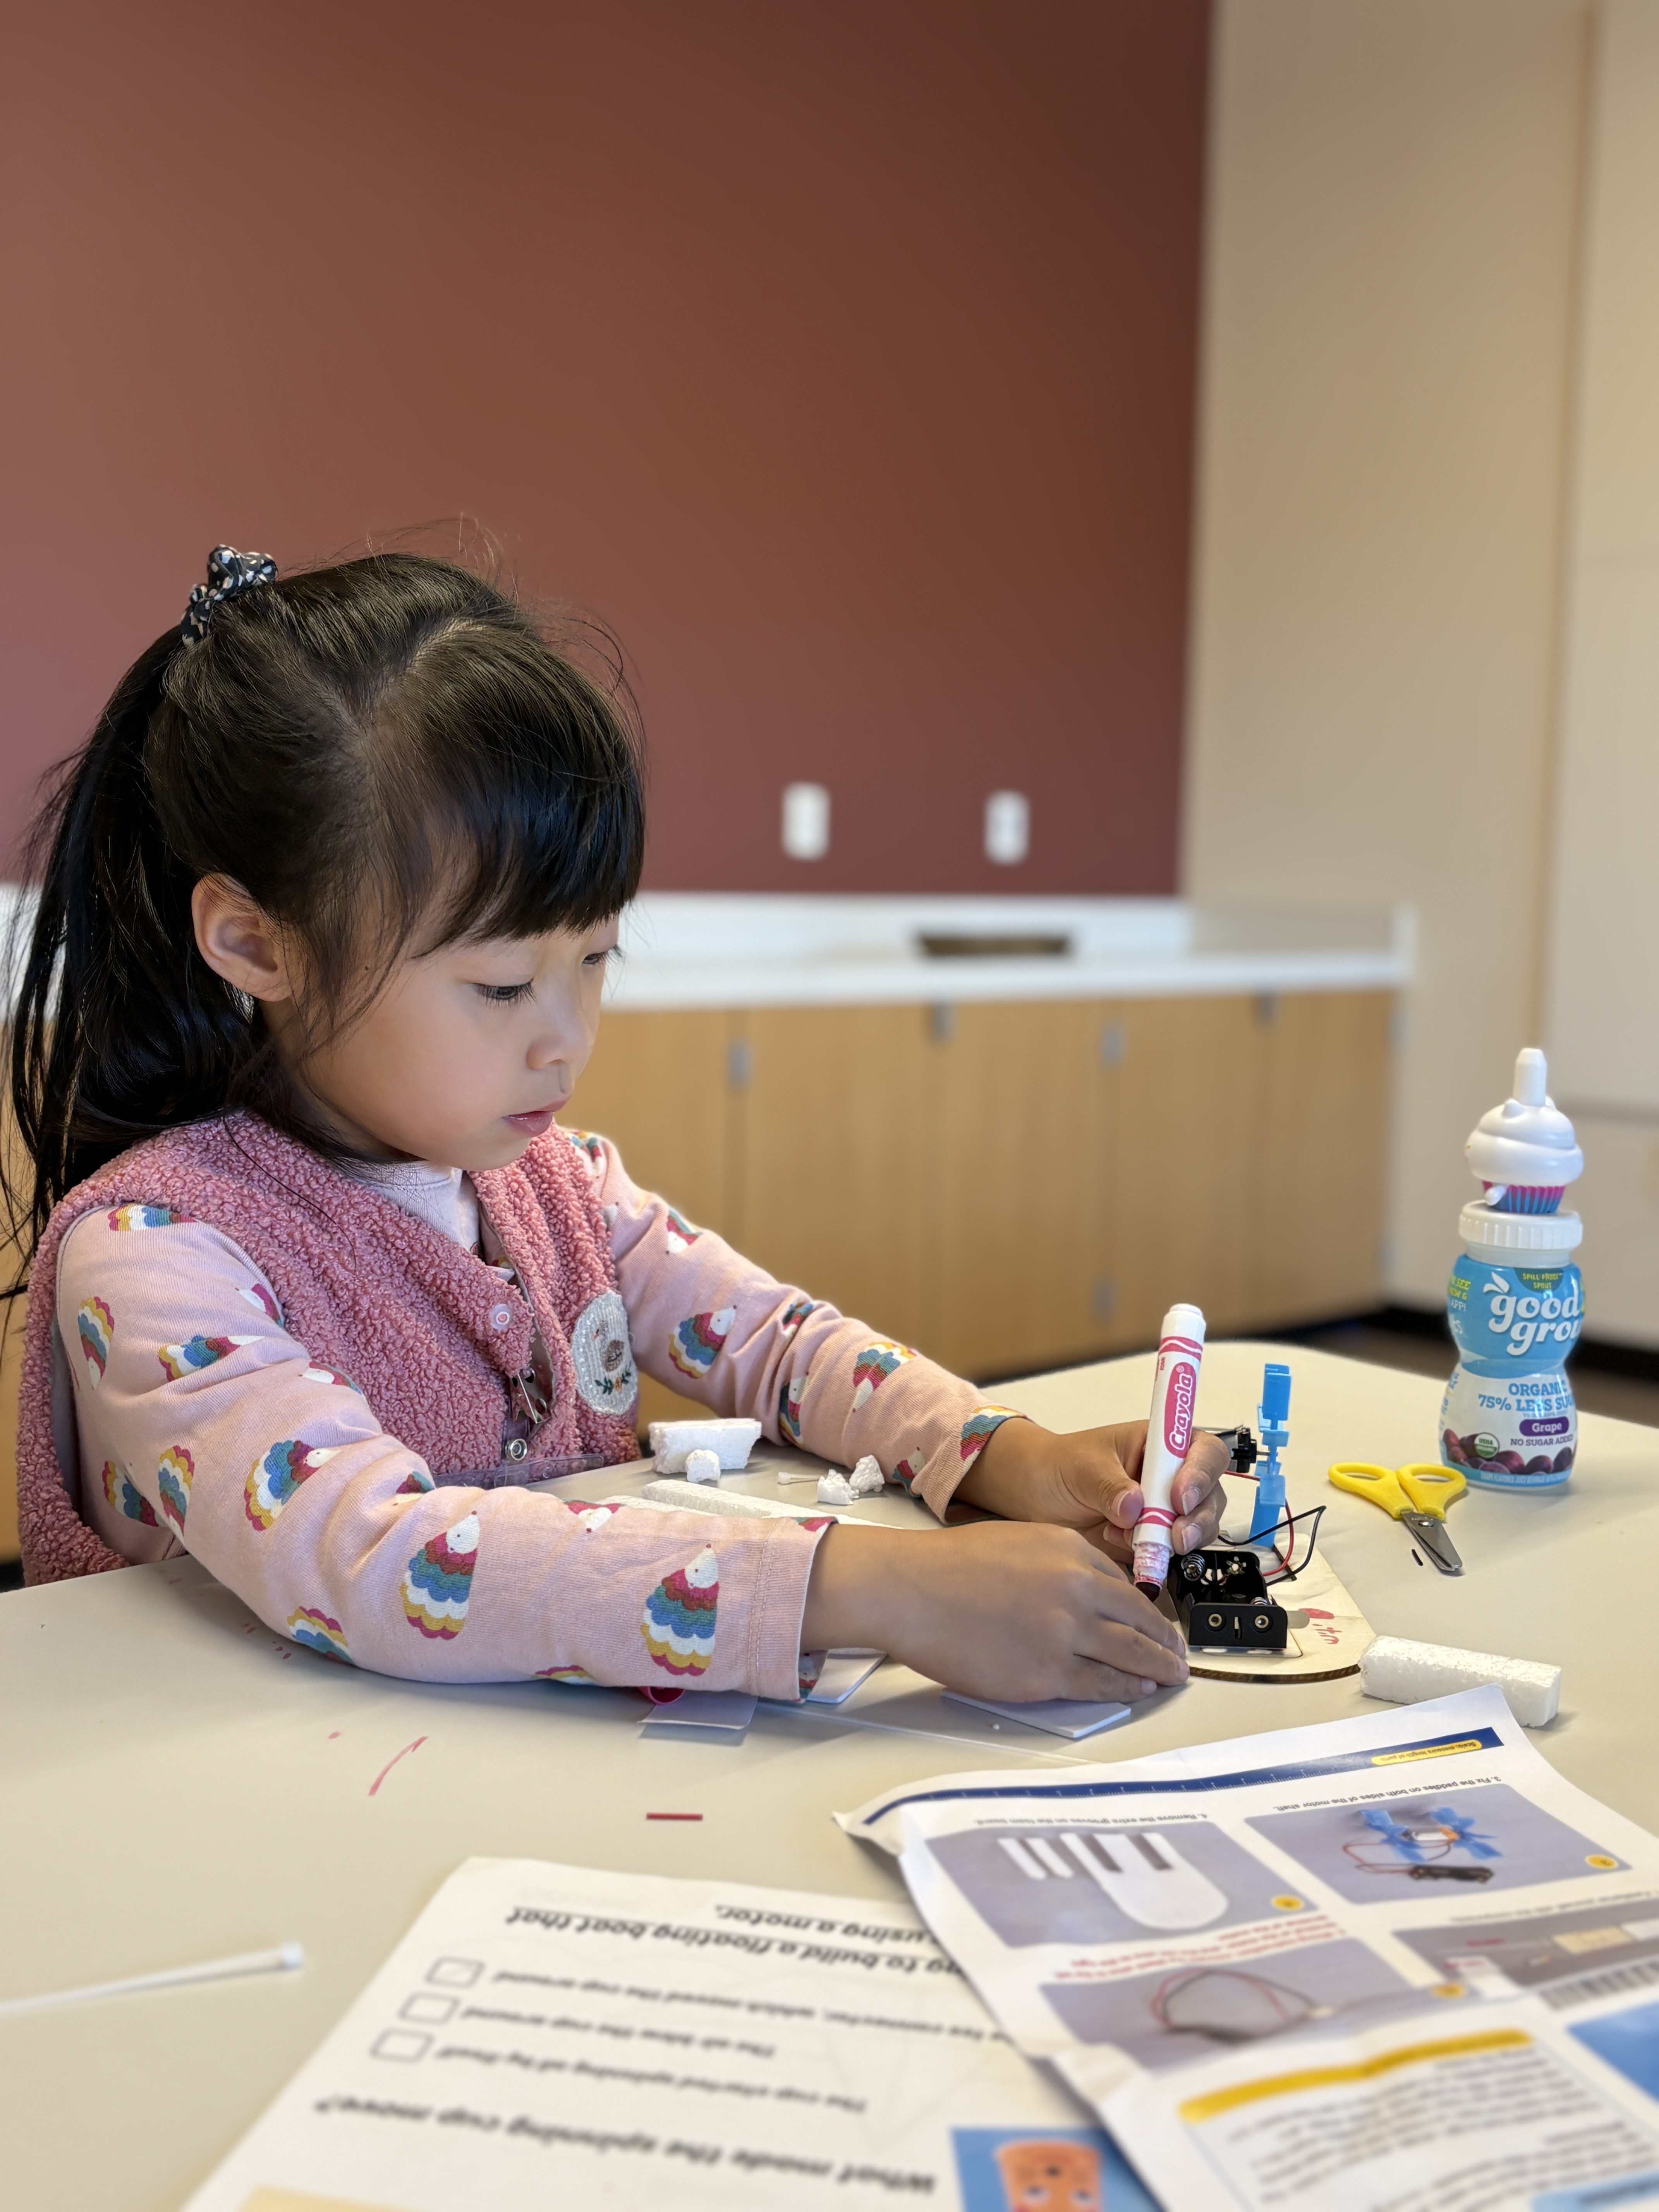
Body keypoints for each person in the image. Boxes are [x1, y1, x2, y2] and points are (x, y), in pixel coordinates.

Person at [7, 547, 1224, 1705]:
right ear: (256, 943)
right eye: (498, 987)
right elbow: (376, 1562)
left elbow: (782, 1348)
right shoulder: (158, 1251)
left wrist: (1002, 1453)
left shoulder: (559, 1186)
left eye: (594, 959)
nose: (565, 1038)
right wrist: (872, 1587)